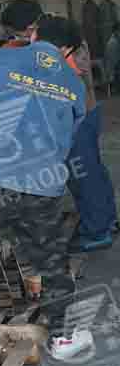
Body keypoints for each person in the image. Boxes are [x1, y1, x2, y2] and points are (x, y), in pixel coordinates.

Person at [0, 15, 90, 361]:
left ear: (34, 33)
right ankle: (63, 338)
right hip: (42, 185)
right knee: (52, 262)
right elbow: (68, 138)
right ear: (68, 49)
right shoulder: (74, 84)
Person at [64, 18, 118, 251]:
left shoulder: (64, 52)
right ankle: (106, 220)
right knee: (94, 171)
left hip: (77, 118)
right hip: (89, 111)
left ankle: (96, 231)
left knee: (82, 175)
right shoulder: (76, 42)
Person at [104, 22, 120, 92]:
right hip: (115, 71)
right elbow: (114, 62)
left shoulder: (116, 40)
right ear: (116, 31)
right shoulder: (112, 43)